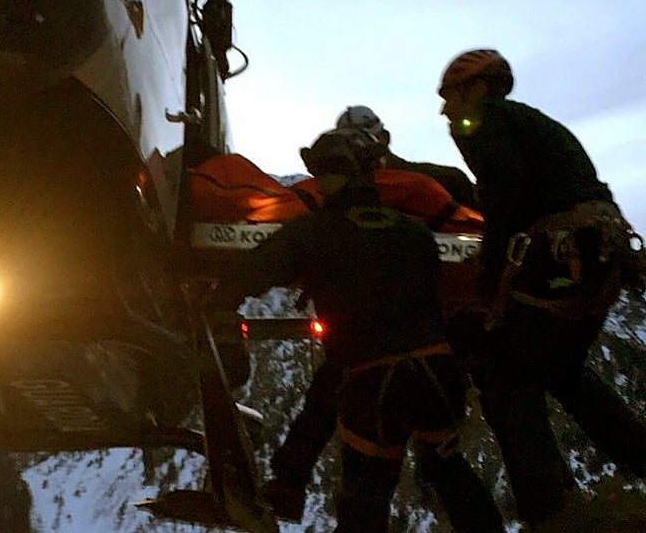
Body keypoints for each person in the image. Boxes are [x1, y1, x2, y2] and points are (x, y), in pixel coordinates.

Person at [225, 129, 502, 531]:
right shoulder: (415, 233)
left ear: (321, 177)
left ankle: (288, 482)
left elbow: (247, 275)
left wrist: (214, 307)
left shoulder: (313, 232)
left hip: (373, 383)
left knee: (364, 499)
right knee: (449, 471)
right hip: (437, 375)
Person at [436, 48, 646, 529]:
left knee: (508, 378)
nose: (446, 109)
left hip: (564, 255)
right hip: (597, 255)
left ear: (476, 88)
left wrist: (489, 273)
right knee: (563, 371)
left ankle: (551, 513)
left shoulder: (483, 121)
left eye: (451, 95)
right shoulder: (530, 122)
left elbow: (506, 197)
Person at [337, 104, 479, 209]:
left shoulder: (449, 179)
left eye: (364, 141)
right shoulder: (338, 193)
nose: (359, 150)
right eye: (351, 144)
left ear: (385, 138)